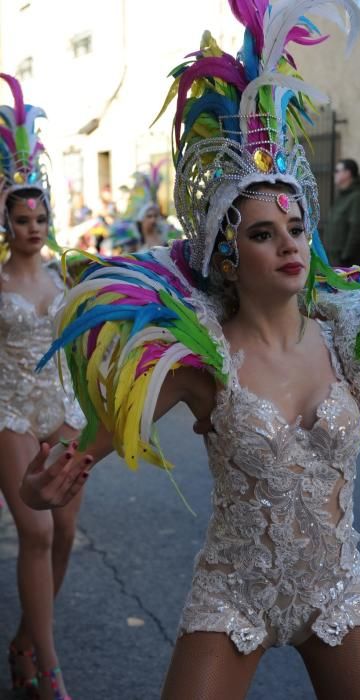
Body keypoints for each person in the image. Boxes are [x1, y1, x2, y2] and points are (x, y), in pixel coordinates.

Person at [19, 3, 360, 699]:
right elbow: (84, 451)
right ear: (227, 258)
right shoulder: (202, 360)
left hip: (335, 592)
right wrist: (36, 489)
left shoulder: (354, 342)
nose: (289, 243)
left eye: (295, 226)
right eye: (263, 233)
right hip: (234, 594)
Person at [0, 73, 86, 700]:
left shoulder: (68, 279)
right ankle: (49, 669)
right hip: (9, 411)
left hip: (64, 411)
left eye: (41, 217)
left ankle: (25, 642)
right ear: (6, 223)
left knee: (66, 534)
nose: (33, 226)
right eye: (22, 218)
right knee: (36, 532)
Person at [324, 158, 360, 267]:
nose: (334, 174)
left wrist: (345, 257)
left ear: (347, 173)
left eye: (337, 171)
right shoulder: (343, 196)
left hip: (347, 264)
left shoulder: (357, 197)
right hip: (334, 260)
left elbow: (358, 230)